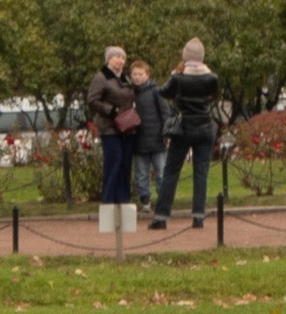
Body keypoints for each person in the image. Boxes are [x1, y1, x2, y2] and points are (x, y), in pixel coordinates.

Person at [149, 38, 225, 232]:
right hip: (205, 127)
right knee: (201, 174)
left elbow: (164, 92)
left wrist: (175, 75)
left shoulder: (178, 78)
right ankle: (198, 217)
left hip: (183, 128)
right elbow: (214, 96)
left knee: (171, 172)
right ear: (202, 57)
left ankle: (161, 217)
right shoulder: (212, 78)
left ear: (185, 56)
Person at [86, 45, 140, 234]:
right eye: (116, 57)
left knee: (125, 165)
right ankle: (108, 204)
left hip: (127, 128)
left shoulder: (124, 78)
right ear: (108, 59)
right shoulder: (102, 77)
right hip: (110, 128)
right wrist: (111, 110)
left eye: (123, 58)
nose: (120, 61)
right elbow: (92, 99)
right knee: (113, 163)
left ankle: (123, 203)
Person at [127, 56, 166, 219]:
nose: (137, 77)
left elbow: (165, 112)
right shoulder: (129, 93)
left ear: (147, 74)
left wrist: (166, 133)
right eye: (134, 74)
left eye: (140, 74)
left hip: (157, 138)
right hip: (138, 139)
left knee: (161, 172)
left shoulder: (156, 91)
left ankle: (164, 200)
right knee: (141, 173)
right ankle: (145, 201)